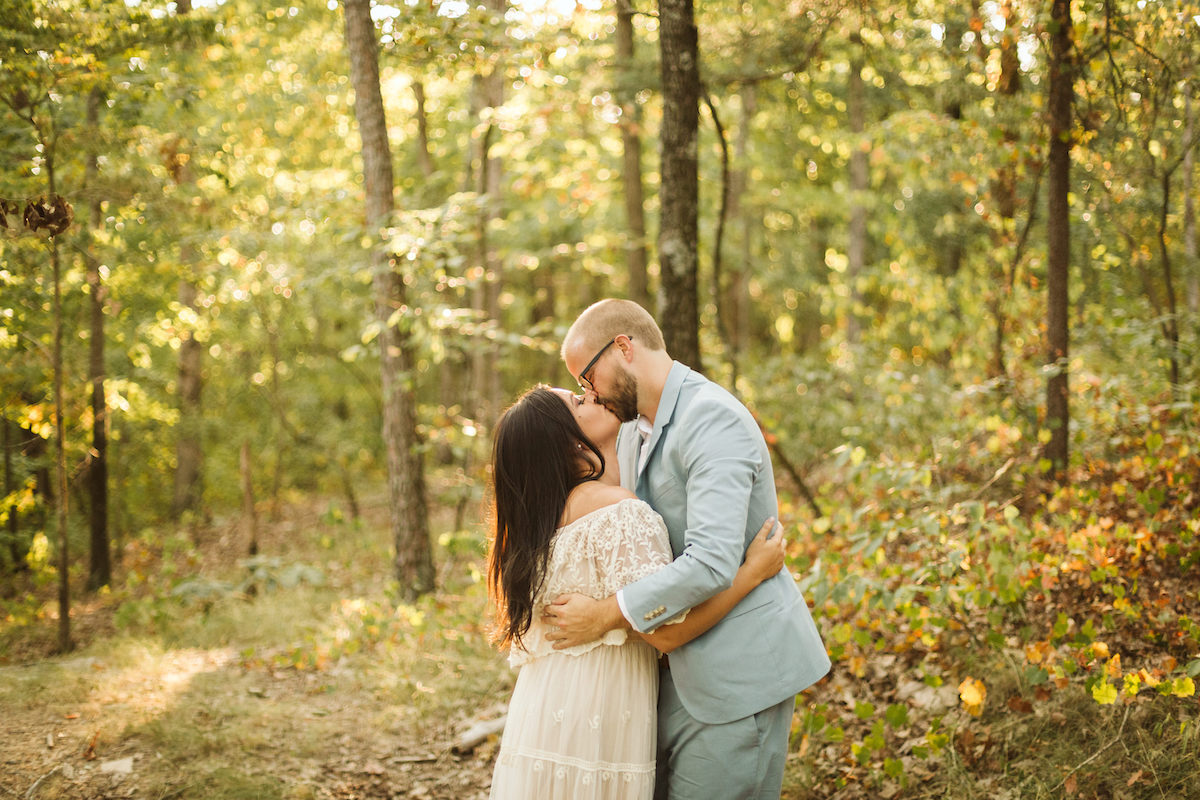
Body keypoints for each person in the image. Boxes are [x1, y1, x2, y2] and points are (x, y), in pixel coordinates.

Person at [544, 299, 831, 800]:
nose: (589, 394)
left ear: (624, 349)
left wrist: (606, 615)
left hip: (739, 678)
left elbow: (713, 561)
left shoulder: (711, 419)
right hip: (670, 673)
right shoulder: (632, 429)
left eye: (588, 378)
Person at [487, 385, 787, 800]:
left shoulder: (537, 527)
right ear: (569, 442)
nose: (590, 396)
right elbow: (666, 633)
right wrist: (750, 574)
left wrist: (604, 622)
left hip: (541, 716)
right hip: (598, 715)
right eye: (577, 402)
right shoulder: (619, 512)